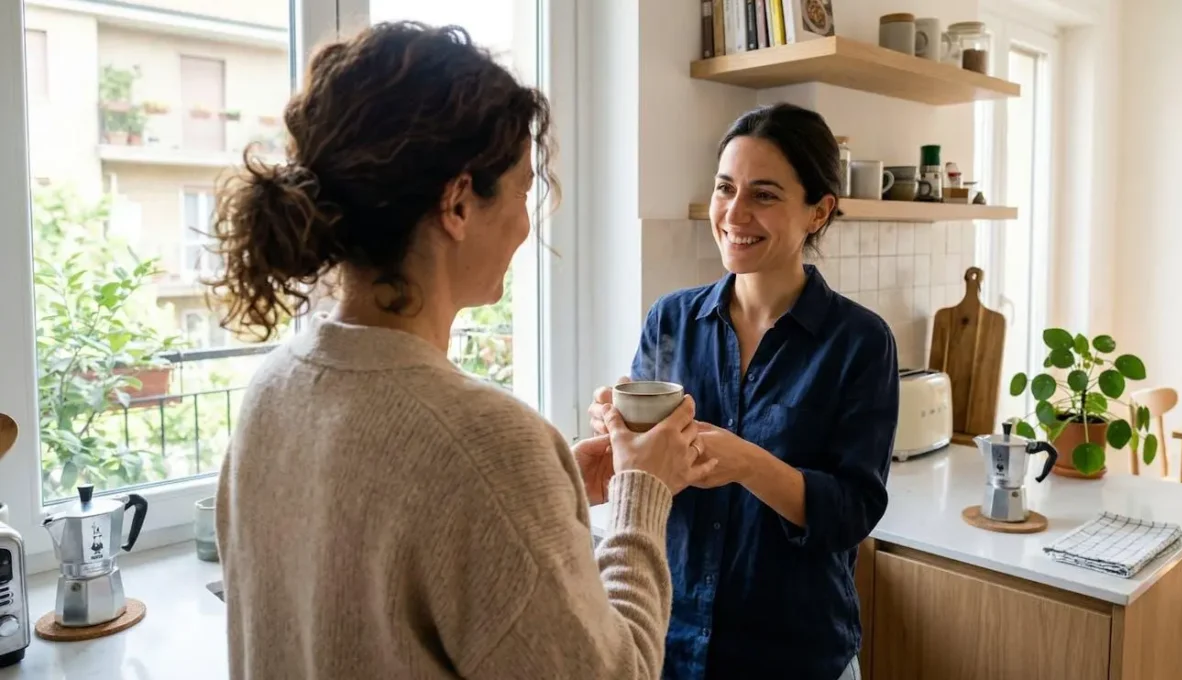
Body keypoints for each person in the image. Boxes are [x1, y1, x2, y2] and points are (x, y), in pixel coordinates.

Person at [210, 22, 716, 680]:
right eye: (522, 191)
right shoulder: (487, 445)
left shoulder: (271, 392)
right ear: (456, 203)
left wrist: (549, 485)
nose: (525, 223)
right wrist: (642, 496)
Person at [589, 103, 900, 680]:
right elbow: (653, 470)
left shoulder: (860, 342)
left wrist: (745, 463)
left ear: (818, 211)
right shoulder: (672, 320)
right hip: (670, 646)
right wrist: (619, 432)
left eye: (764, 195)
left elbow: (853, 511)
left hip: (796, 656)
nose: (734, 213)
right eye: (724, 188)